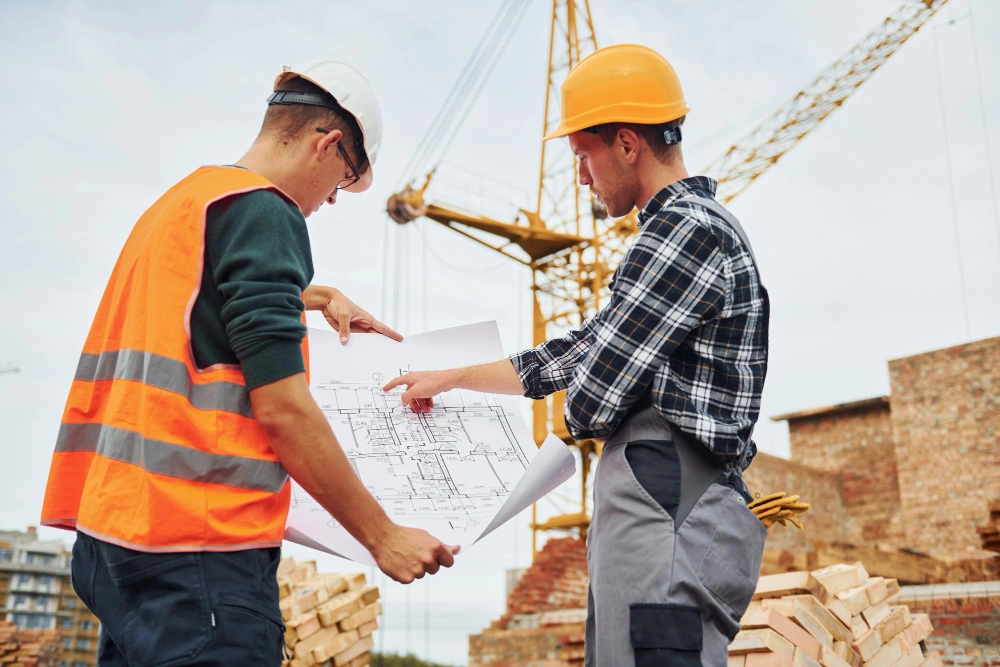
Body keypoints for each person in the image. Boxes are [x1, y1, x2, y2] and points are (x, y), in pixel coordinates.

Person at [40, 59, 458, 666]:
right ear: (329, 144)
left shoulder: (183, 203)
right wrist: (382, 536)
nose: (330, 201)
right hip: (198, 551)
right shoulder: (267, 212)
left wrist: (305, 296)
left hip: (115, 541)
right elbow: (283, 408)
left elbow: (197, 313)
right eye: (341, 183)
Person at [384, 44, 769, 666]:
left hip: (670, 497)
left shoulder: (683, 231)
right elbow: (578, 352)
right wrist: (457, 376)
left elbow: (590, 403)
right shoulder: (676, 232)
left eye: (582, 155)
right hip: (665, 499)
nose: (581, 177)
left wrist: (580, 395)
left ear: (625, 143)